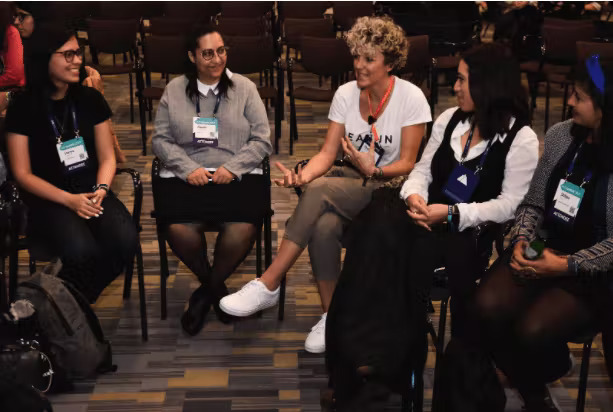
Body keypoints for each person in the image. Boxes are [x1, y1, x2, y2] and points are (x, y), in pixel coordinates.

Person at [321, 42, 539, 408]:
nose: (455, 88)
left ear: (487, 85)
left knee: (388, 252)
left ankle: (379, 367)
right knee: (377, 227)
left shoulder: (521, 139)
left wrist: (453, 214)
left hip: (464, 234)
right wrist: (415, 197)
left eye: (462, 80)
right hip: (422, 216)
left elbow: (509, 206)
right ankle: (368, 362)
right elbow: (420, 171)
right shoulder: (449, 120)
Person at [220, 16, 432, 353]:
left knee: (320, 191)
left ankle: (269, 281)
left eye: (369, 59)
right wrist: (301, 176)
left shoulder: (411, 98)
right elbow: (327, 153)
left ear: (390, 62)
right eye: (357, 56)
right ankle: (333, 317)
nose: (359, 65)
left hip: (393, 188)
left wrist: (374, 170)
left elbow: (408, 162)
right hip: (350, 183)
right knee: (323, 226)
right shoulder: (346, 93)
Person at [473, 55, 613, 412]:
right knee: (487, 305)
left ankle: (541, 382)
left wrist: (564, 265)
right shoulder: (560, 135)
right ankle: (533, 391)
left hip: (592, 268)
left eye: (579, 97)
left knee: (531, 330)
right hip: (544, 242)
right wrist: (521, 242)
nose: (569, 103)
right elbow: (534, 203)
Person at [151, 24, 272, 336]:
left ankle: (205, 294)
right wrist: (185, 167)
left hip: (235, 177)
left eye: (221, 51)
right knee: (177, 227)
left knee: (244, 226)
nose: (217, 59)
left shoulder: (244, 87)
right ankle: (217, 291)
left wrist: (233, 167)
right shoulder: (173, 90)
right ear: (192, 56)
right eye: (207, 53)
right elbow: (161, 141)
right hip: (186, 177)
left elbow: (262, 140)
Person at [4, 27, 137, 302]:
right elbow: (22, 173)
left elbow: (107, 156)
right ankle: (64, 312)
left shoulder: (90, 99)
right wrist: (69, 200)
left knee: (126, 241)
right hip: (48, 197)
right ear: (44, 59)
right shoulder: (23, 107)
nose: (78, 60)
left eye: (78, 53)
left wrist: (102, 188)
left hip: (91, 189)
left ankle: (58, 309)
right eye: (68, 54)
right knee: (82, 252)